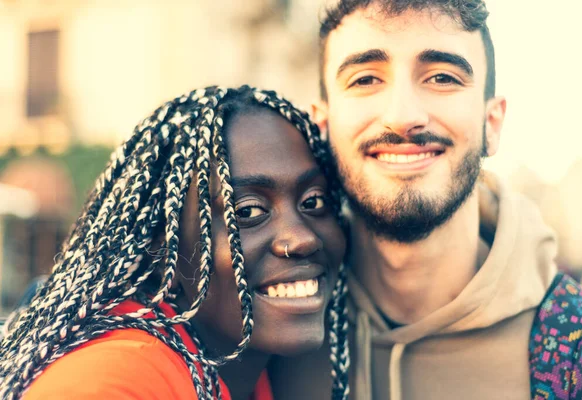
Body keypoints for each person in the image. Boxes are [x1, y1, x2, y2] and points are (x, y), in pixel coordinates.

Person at [268, 1, 582, 399]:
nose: (403, 116)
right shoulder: (268, 337)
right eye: (365, 79)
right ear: (323, 126)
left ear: (491, 124)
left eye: (442, 77)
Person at [0, 86, 350, 400]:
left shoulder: (255, 367)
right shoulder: (116, 378)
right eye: (246, 210)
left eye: (313, 202)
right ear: (164, 245)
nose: (303, 238)